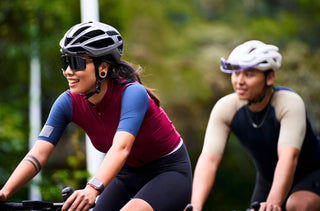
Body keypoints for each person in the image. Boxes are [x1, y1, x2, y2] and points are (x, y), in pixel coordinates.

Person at [0, 21, 192, 211]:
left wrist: (92, 188)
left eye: (76, 63)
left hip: (168, 171)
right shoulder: (67, 102)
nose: (68, 71)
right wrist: (5, 192)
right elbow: (39, 153)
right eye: (66, 62)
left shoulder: (133, 94)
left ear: (103, 68)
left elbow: (121, 148)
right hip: (126, 173)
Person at [190, 40, 320, 211]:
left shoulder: (289, 103)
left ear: (270, 77)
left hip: (312, 171)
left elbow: (289, 157)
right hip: (268, 179)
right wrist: (194, 206)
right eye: (236, 74)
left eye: (249, 74)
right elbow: (209, 159)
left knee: (297, 205)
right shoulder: (225, 108)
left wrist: (273, 202)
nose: (239, 81)